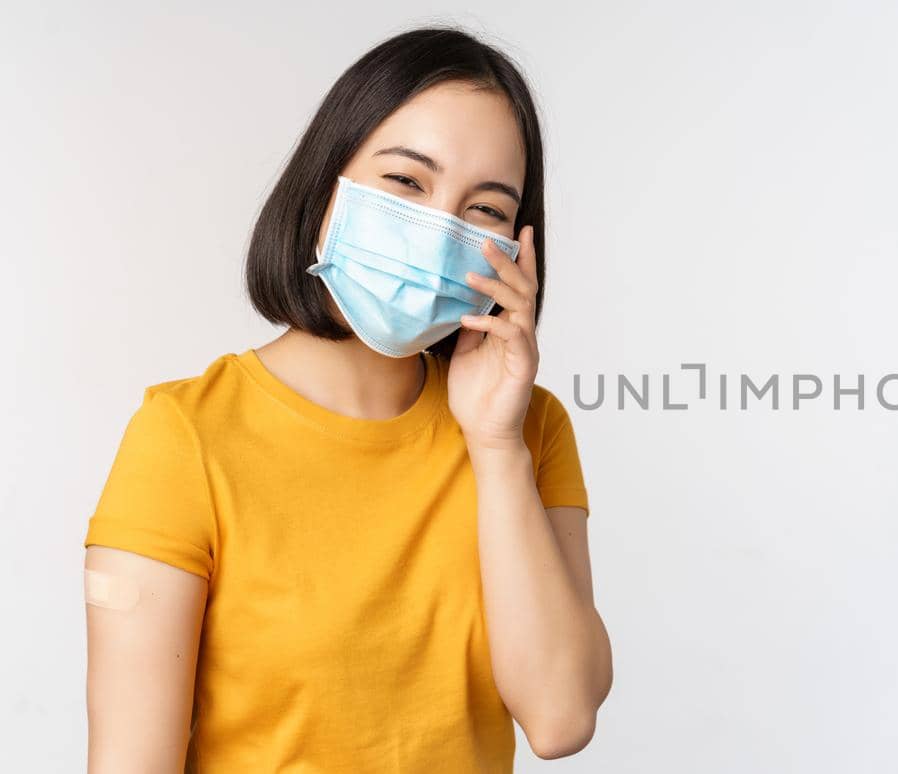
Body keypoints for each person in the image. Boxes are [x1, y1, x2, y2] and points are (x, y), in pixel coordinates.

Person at [81, 26, 611, 771]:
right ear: (328, 184)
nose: (440, 230)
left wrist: (495, 448)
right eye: (407, 184)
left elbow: (560, 720)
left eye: (485, 210)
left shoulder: (530, 430)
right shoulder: (185, 437)